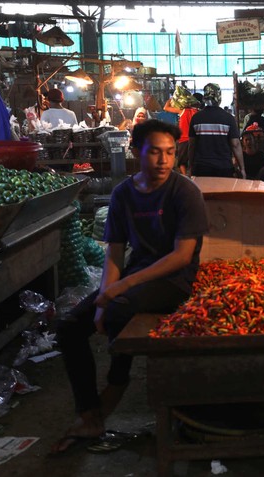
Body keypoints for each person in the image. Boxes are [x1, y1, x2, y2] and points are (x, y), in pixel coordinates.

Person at [51, 119, 209, 454]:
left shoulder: (185, 192)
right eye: (155, 152)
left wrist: (117, 291)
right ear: (136, 152)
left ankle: (115, 388)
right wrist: (104, 295)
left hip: (175, 281)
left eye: (170, 152)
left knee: (117, 313)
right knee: (69, 327)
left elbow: (182, 256)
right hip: (135, 278)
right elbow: (114, 252)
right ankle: (88, 413)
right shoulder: (124, 193)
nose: (164, 161)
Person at [188, 83, 246, 178]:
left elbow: (191, 145)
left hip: (201, 168)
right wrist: (242, 168)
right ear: (219, 97)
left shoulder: (196, 118)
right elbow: (235, 144)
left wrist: (190, 166)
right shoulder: (228, 118)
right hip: (224, 168)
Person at [164, 86, 200, 175]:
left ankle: (185, 177)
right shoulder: (199, 112)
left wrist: (172, 98)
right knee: (193, 160)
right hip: (196, 139)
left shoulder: (182, 111)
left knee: (182, 162)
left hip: (183, 140)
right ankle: (192, 176)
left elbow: (166, 108)